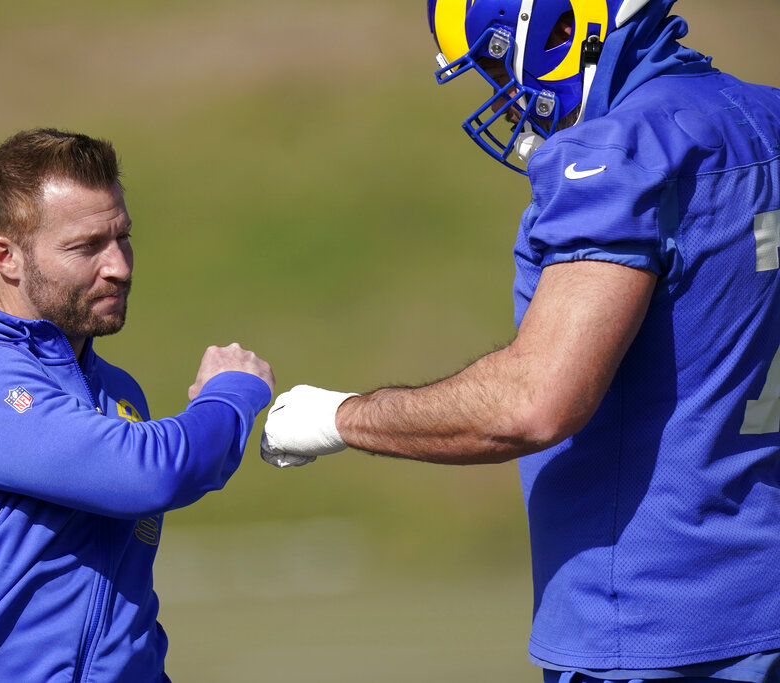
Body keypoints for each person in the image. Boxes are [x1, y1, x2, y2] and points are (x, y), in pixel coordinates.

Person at [261, 1, 780, 680]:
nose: (505, 101)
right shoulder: (765, 116)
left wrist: (337, 418)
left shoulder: (622, 150)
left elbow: (533, 402)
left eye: (496, 63)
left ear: (558, 27)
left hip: (656, 618)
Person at [0, 128, 274, 681]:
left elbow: (123, 610)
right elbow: (149, 473)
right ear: (6, 257)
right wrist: (232, 392)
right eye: (87, 246)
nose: (119, 266)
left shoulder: (117, 391)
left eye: (122, 237)